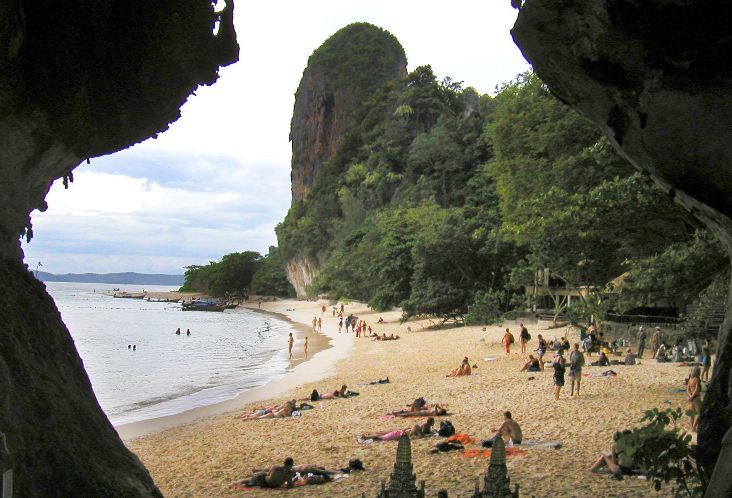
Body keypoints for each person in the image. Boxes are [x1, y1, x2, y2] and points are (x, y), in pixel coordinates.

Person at [687, 366, 702, 431]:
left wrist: (690, 396)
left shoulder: (690, 379)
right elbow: (696, 390)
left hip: (691, 397)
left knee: (692, 412)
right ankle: (694, 427)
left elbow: (687, 389)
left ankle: (691, 427)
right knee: (699, 413)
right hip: (696, 397)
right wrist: (692, 396)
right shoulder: (697, 379)